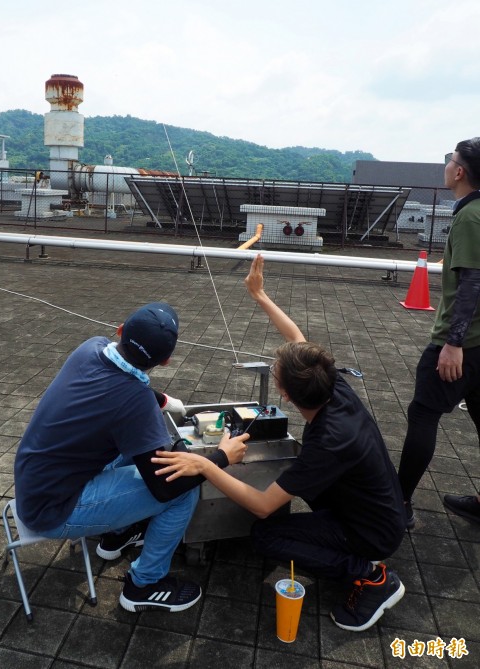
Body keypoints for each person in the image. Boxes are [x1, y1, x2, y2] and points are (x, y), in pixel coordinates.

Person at [152, 255, 407, 632]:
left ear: (285, 395)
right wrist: (260, 295)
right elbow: (297, 339)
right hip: (373, 506)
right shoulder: (330, 383)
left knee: (266, 534)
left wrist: (208, 463)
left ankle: (369, 578)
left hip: (371, 532)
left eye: (275, 374)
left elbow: (261, 505)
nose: (273, 371)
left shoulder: (328, 443)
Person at [14, 302, 248, 613]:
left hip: (35, 482)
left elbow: (127, 387)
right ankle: (144, 585)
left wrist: (164, 400)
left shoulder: (91, 348)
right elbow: (164, 487)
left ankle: (116, 536)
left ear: (120, 331)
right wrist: (220, 457)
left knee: (135, 446)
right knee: (184, 490)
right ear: (166, 361)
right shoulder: (134, 403)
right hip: (53, 511)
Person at [398, 138, 480, 527]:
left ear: (460, 171)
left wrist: (454, 343)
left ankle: (398, 503)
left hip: (465, 343)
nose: (447, 165)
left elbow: (472, 283)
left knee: (423, 414)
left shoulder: (469, 217)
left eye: (450, 160)